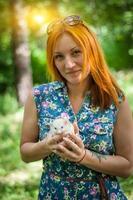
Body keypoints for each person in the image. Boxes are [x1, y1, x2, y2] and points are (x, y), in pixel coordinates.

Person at [20, 15, 133, 200]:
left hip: (100, 195)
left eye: (76, 52)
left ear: (92, 50)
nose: (69, 64)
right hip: (52, 194)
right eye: (59, 57)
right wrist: (47, 145)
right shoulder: (39, 96)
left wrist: (83, 156)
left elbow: (127, 166)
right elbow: (25, 153)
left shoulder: (114, 99)